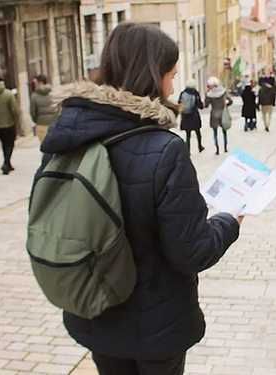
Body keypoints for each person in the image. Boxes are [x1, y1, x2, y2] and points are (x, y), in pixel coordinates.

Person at [39, 23, 243, 375]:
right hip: (156, 325)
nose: (173, 85)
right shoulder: (165, 150)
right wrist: (228, 220)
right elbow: (191, 251)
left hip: (95, 312)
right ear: (153, 76)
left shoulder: (67, 137)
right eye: (171, 75)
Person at [205, 76, 233, 155]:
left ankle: (217, 149)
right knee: (224, 132)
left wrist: (206, 94)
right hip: (223, 113)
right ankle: (225, 148)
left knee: (215, 133)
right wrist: (226, 105)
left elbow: (206, 105)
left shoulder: (209, 94)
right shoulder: (223, 92)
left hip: (214, 114)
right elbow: (230, 101)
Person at [30, 74, 59, 143]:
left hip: (41, 124)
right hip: (54, 123)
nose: (35, 84)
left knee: (44, 146)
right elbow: (58, 107)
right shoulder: (53, 92)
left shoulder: (34, 96)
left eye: (36, 82)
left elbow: (32, 112)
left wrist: (37, 120)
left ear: (40, 82)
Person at [178, 80, 205, 154]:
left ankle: (188, 150)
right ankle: (200, 146)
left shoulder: (182, 93)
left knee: (188, 135)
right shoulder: (195, 93)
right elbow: (200, 106)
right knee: (198, 132)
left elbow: (179, 103)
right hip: (194, 116)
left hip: (186, 117)